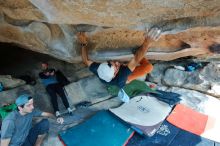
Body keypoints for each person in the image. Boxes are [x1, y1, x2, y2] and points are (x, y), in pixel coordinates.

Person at [78, 28, 161, 101]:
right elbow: (136, 60)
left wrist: (83, 44)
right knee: (148, 67)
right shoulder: (123, 77)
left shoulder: (99, 70)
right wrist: (148, 41)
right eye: (115, 65)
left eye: (110, 62)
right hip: (125, 79)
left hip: (115, 75)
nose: (115, 62)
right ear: (115, 73)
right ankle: (136, 51)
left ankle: (136, 52)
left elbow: (85, 60)